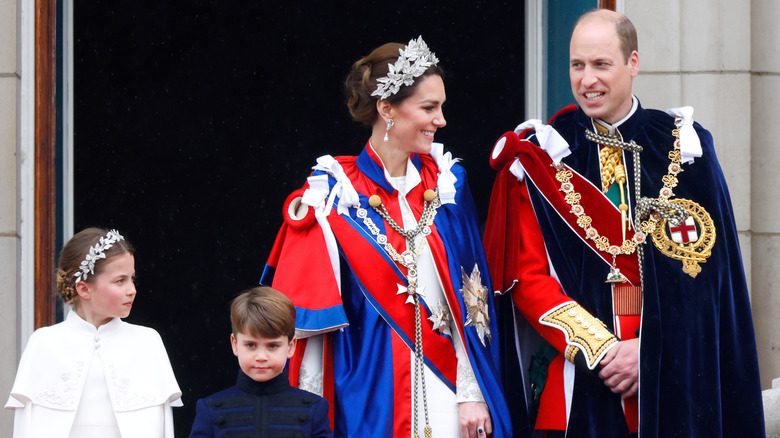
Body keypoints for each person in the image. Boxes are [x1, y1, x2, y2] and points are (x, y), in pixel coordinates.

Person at [484, 9, 765, 438]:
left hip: (676, 377)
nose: (587, 80)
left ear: (633, 64)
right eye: (577, 65)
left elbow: (710, 279)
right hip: (583, 381)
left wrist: (650, 350)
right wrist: (603, 351)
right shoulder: (542, 155)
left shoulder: (685, 146)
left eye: (601, 64)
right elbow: (528, 277)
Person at [260, 37, 519, 438]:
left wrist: (472, 392)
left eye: (442, 107)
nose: (441, 120)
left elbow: (474, 297)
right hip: (369, 393)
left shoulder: (448, 184)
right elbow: (311, 318)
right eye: (429, 108)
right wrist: (307, 417)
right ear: (387, 109)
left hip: (449, 392)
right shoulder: (334, 195)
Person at [5, 227, 182, 438]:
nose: (132, 289)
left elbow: (162, 429)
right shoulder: (44, 343)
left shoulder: (147, 342)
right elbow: (26, 429)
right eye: (120, 280)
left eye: (132, 278)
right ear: (84, 289)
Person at [188, 286, 332, 437]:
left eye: (273, 345)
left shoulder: (314, 408)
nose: (261, 356)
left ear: (291, 346)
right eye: (251, 345)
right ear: (235, 344)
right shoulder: (210, 409)